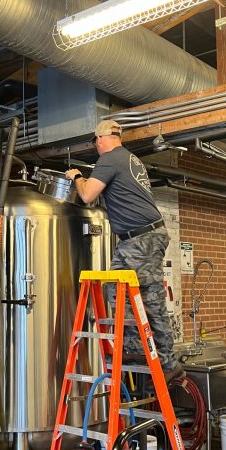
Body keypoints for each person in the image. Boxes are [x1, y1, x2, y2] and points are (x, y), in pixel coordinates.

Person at [65, 118, 184, 382]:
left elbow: (87, 196)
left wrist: (77, 177)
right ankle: (139, 349)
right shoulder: (130, 159)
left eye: (96, 142)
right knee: (123, 290)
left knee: (145, 296)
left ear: (100, 139)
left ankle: (163, 360)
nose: (96, 146)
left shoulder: (109, 159)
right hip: (139, 237)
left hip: (140, 238)